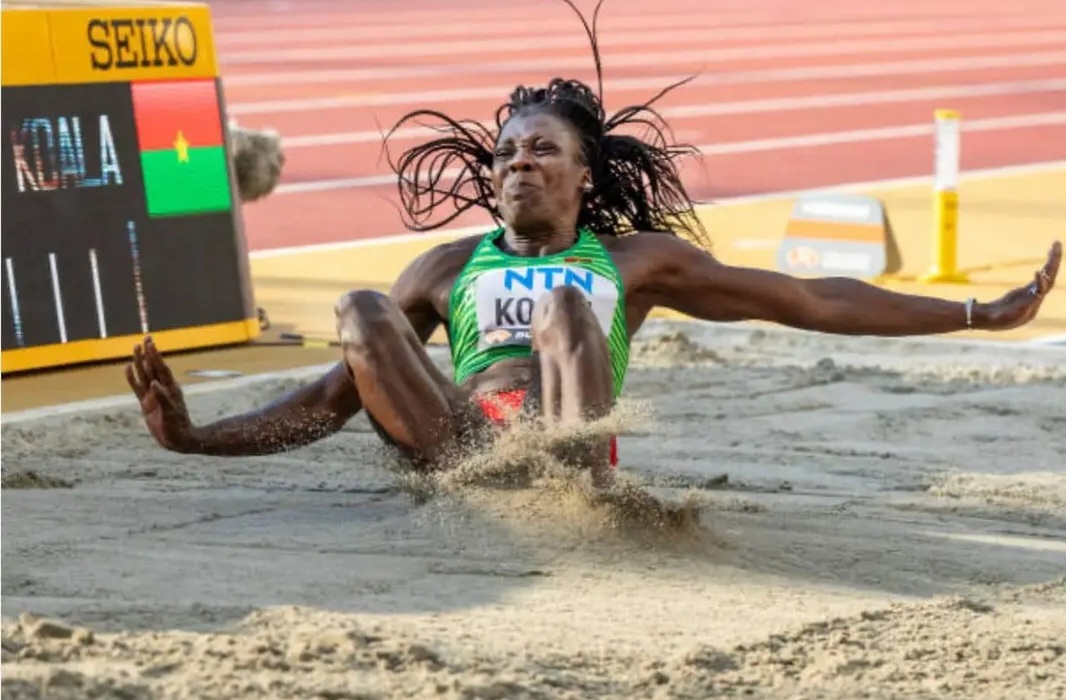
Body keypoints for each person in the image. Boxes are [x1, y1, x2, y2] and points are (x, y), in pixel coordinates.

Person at [126, 0, 1060, 488]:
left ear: (585, 176)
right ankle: (503, 480)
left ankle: (573, 491)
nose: (518, 164)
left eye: (543, 151)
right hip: (457, 450)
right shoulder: (448, 269)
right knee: (362, 309)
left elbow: (814, 301)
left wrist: (979, 312)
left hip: (566, 446)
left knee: (570, 306)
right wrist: (196, 438)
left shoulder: (636, 262)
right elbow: (335, 397)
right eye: (506, 153)